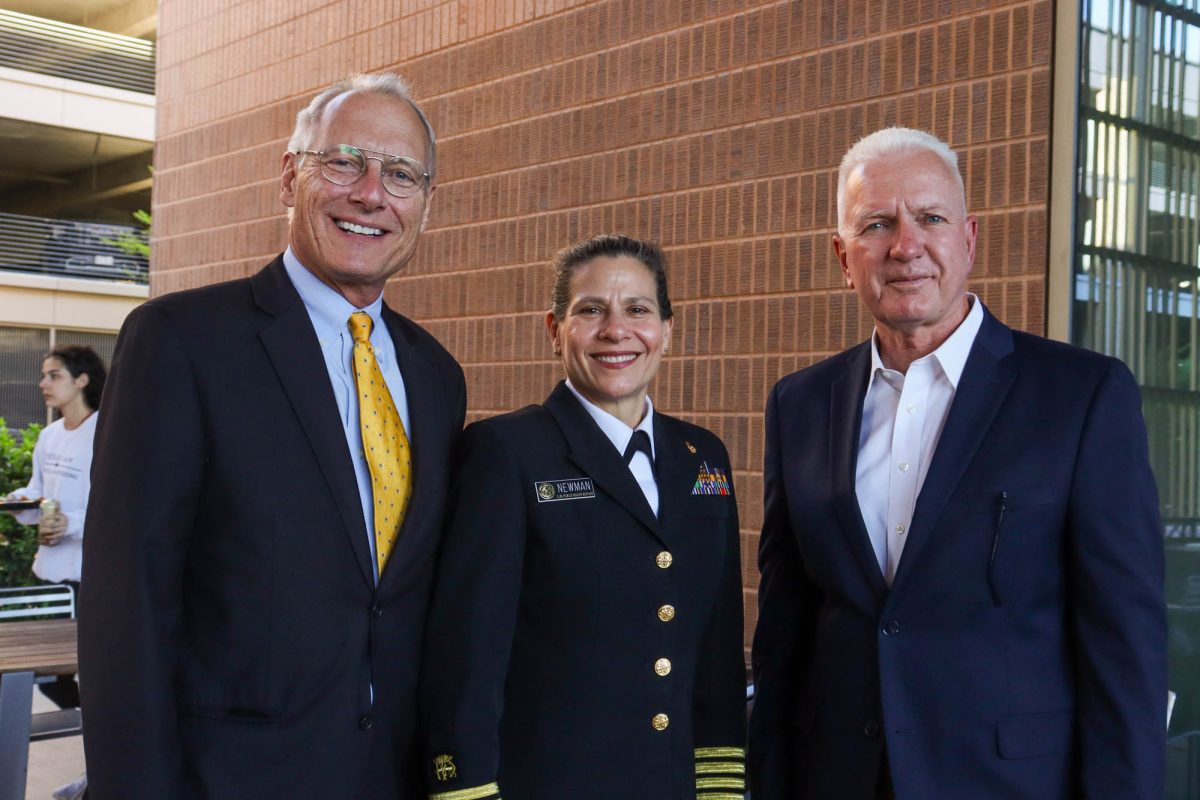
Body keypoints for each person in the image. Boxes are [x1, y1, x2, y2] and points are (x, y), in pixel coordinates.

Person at [79, 73, 466, 799]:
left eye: (401, 174)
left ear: (426, 204)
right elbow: (126, 603)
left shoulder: (437, 376)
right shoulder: (183, 341)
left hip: (392, 775)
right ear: (291, 177)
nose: (371, 193)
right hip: (226, 779)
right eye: (344, 161)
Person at [749, 127, 1166, 799]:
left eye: (930, 218)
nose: (905, 246)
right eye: (876, 224)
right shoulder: (800, 403)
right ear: (842, 256)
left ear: (968, 238)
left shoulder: (1081, 396)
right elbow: (785, 635)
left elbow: (1126, 649)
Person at [420, 234, 746, 800]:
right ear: (555, 330)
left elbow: (716, 652)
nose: (616, 331)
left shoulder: (703, 457)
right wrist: (467, 789)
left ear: (668, 330)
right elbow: (468, 654)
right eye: (590, 310)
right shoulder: (507, 452)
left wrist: (719, 787)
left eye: (638, 310)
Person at [5, 344, 106, 710]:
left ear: (82, 380)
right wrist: (20, 503)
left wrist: (72, 524)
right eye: (43, 375)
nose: (42, 383)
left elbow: (116, 507)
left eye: (54, 375)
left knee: (86, 672)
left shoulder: (104, 433)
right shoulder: (49, 435)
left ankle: (101, 740)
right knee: (48, 678)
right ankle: (95, 732)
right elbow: (39, 493)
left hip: (88, 576)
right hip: (49, 573)